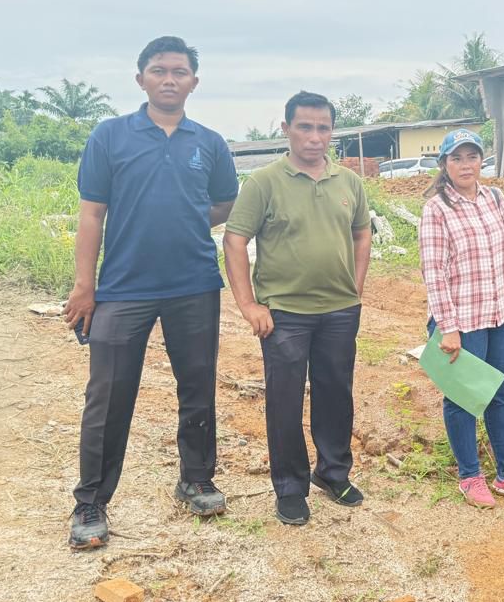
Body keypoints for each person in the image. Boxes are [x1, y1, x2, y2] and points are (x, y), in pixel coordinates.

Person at [62, 36, 239, 550]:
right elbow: (92, 214)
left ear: (194, 83)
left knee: (198, 385)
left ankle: (196, 478)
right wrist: (84, 286)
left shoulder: (209, 143)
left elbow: (225, 202)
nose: (169, 78)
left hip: (194, 285)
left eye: (179, 71)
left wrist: (185, 217)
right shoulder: (111, 136)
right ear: (140, 78)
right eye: (159, 70)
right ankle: (91, 501)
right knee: (108, 396)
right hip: (122, 289)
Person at [223, 91, 372, 526]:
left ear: (332, 133)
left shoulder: (349, 183)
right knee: (285, 401)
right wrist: (248, 304)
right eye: (304, 127)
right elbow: (235, 240)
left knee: (335, 394)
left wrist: (356, 286)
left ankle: (333, 473)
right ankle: (290, 486)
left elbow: (362, 234)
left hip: (340, 311)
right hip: (284, 313)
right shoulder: (264, 182)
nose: (314, 137)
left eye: (323, 128)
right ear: (286, 129)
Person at [418, 129, 504, 509]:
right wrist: (448, 327)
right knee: (463, 399)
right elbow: (434, 272)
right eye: (457, 158)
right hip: (462, 320)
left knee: (502, 395)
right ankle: (470, 477)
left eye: (472, 156)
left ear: (481, 161)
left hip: (500, 314)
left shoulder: (495, 197)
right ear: (444, 164)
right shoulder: (437, 209)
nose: (465, 165)